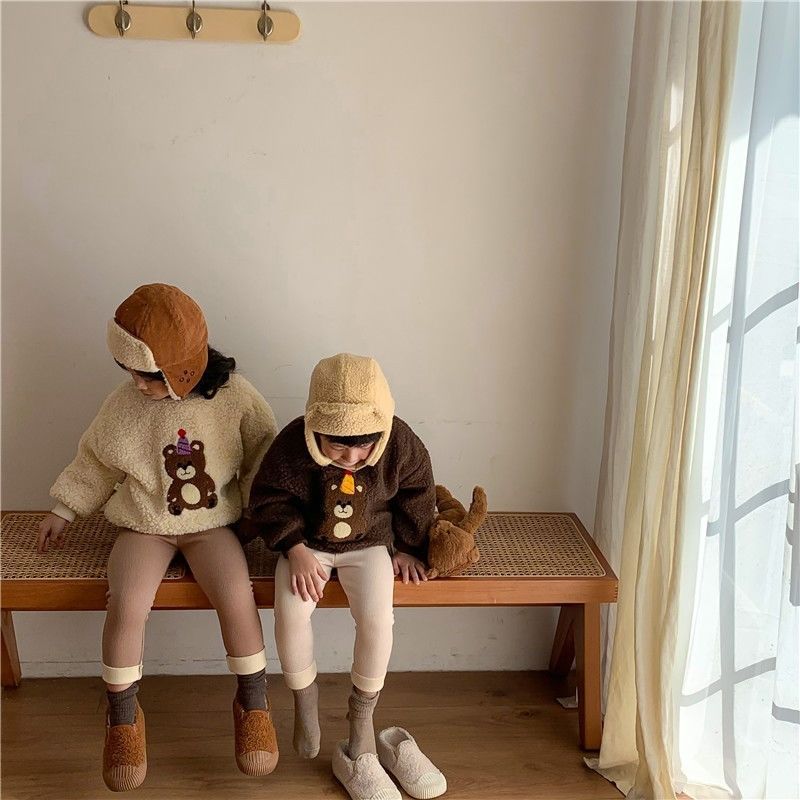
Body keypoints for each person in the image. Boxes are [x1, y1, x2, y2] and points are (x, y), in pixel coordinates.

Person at [36, 283, 279, 791]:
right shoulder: (124, 406)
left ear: (182, 366)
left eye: (146, 374)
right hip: (144, 526)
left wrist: (260, 512)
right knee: (126, 603)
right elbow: (97, 460)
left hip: (212, 526)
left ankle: (253, 703)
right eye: (129, 372)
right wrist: (65, 508)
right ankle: (123, 717)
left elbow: (264, 451)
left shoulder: (235, 398)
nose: (137, 384)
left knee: (236, 594)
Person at [242, 352, 436, 800]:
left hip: (370, 544)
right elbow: (268, 498)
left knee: (378, 618)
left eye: (363, 447)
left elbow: (418, 491)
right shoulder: (294, 443)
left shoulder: (399, 442)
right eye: (338, 447)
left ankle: (362, 717)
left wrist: (410, 546)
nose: (351, 457)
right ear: (317, 429)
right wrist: (293, 547)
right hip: (306, 545)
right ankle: (304, 699)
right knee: (290, 611)